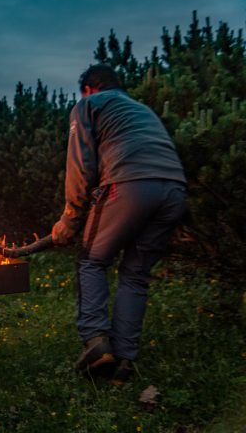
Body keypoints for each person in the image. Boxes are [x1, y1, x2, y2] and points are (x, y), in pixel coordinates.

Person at [50, 64, 187, 383]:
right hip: (174, 190)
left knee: (91, 260)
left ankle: (97, 343)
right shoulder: (141, 109)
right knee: (136, 274)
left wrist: (70, 218)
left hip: (128, 186)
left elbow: (81, 164)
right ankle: (124, 362)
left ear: (89, 88)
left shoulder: (88, 105)